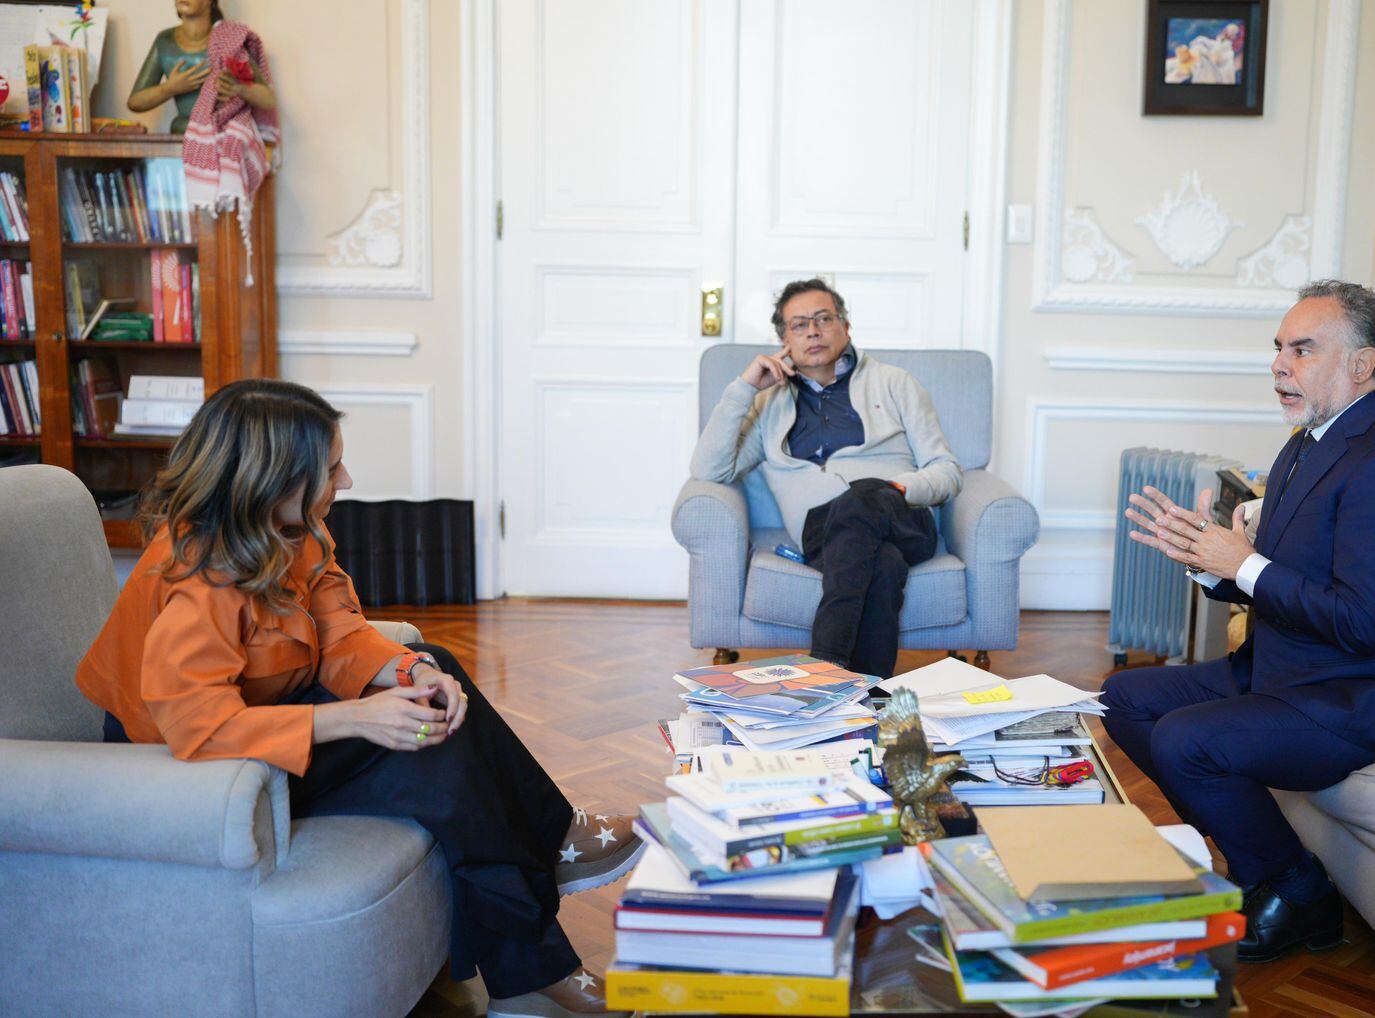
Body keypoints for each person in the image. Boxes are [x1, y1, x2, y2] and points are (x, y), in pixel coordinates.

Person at [75, 379, 636, 1018]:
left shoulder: (295, 528)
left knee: (435, 678)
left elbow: (340, 631)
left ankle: (544, 909)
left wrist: (409, 672)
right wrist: (355, 717)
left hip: (260, 712)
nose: (346, 478)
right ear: (275, 478)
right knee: (434, 760)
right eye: (331, 467)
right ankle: (541, 938)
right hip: (185, 766)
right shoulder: (200, 575)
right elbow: (197, 727)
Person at [1101, 280, 1375, 964]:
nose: (1280, 365)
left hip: (1367, 693)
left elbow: (1360, 622)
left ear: (1360, 366)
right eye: (1279, 349)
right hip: (1287, 671)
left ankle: (1298, 892)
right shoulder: (1308, 444)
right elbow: (1277, 579)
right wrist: (1209, 561)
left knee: (1186, 740)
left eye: (1303, 350)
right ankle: (1266, 869)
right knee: (1123, 697)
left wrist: (1241, 563)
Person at [691, 278, 963, 679]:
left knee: (863, 498)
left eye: (823, 319)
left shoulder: (894, 383)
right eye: (799, 325)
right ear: (784, 340)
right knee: (884, 565)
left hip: (901, 515)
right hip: (824, 536)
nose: (813, 331)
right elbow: (710, 470)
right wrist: (744, 388)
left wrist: (900, 489)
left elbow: (947, 470)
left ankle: (824, 674)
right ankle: (868, 695)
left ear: (845, 327)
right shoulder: (768, 404)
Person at [127, 0, 276, 133]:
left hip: (223, 133)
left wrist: (240, 89)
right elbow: (135, 101)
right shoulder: (164, 41)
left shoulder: (228, 39)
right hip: (181, 135)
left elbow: (268, 99)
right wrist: (170, 88)